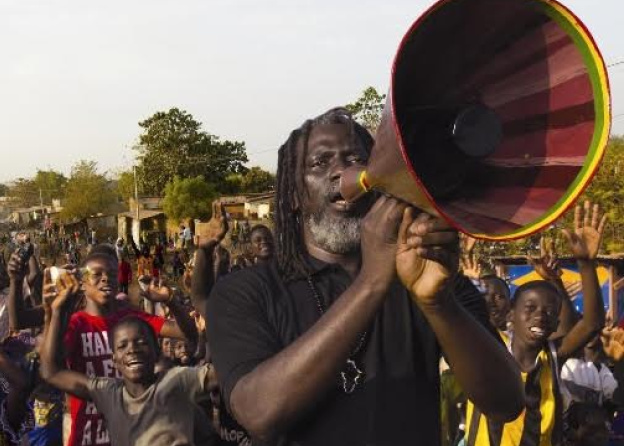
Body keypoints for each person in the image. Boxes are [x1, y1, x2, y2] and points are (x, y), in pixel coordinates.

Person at [206, 108, 524, 446]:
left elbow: (506, 403)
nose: (341, 171)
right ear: (294, 195)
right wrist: (372, 281)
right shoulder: (245, 291)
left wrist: (440, 303)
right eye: (319, 163)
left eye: (355, 158)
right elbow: (259, 413)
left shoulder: (426, 274)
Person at [464, 201, 607, 446]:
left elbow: (592, 324)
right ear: (510, 314)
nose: (540, 315)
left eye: (550, 312)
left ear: (555, 324)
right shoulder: (490, 350)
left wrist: (585, 264)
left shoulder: (552, 356)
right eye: (529, 309)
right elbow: (463, 311)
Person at [33, 246, 198, 446]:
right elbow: (51, 367)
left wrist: (170, 301)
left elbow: (187, 334)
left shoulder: (130, 319)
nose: (105, 279)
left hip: (132, 430)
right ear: (83, 283)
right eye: (97, 274)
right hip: (87, 433)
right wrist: (54, 313)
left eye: (111, 273)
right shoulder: (76, 324)